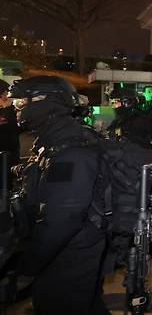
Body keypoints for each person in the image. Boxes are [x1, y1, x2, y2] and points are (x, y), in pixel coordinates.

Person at [9, 76, 108, 314]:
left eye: (23, 102)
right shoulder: (53, 139)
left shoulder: (72, 150)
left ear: (47, 101)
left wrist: (29, 264)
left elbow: (63, 218)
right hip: (62, 246)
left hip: (71, 249)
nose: (17, 108)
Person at [0, 80, 20, 167]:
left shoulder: (9, 109)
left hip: (11, 149)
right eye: (4, 93)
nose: (6, 95)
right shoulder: (7, 109)